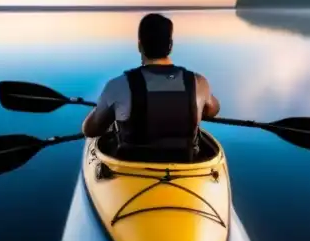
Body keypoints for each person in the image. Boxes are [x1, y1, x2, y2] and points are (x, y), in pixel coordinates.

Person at [81, 13, 221, 161]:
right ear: (170, 45)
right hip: (185, 165)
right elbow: (213, 110)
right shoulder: (198, 83)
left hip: (132, 171)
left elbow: (90, 130)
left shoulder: (117, 86)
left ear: (139, 45)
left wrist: (105, 108)